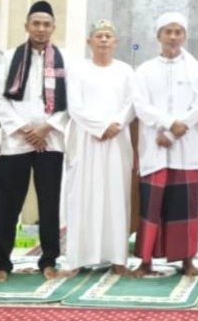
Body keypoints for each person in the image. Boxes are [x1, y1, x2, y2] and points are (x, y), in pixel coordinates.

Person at [0, 0, 70, 282]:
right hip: (16, 142)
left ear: (53, 27)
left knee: (49, 203)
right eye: (36, 23)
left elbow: (71, 103)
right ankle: (2, 263)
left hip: (51, 141)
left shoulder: (64, 59)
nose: (41, 29)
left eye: (46, 24)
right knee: (9, 203)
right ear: (26, 26)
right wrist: (25, 129)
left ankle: (48, 261)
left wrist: (47, 128)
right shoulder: (10, 57)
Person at [132, 12, 198, 277]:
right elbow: (140, 106)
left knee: (184, 206)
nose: (173, 37)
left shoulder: (197, 69)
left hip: (186, 148)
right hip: (154, 147)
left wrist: (174, 133)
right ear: (158, 36)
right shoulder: (144, 70)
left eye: (178, 32)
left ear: (184, 35)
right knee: (151, 205)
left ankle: (186, 259)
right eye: (168, 32)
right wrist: (166, 123)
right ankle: (145, 261)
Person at [63, 20, 134, 275]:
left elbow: (131, 104)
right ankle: (77, 260)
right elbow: (75, 106)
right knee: (82, 196)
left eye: (108, 36)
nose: (103, 40)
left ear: (115, 42)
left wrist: (115, 125)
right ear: (89, 41)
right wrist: (100, 127)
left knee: (116, 197)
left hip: (116, 141)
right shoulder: (78, 70)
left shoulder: (126, 71)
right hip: (86, 141)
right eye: (98, 36)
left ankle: (118, 259)